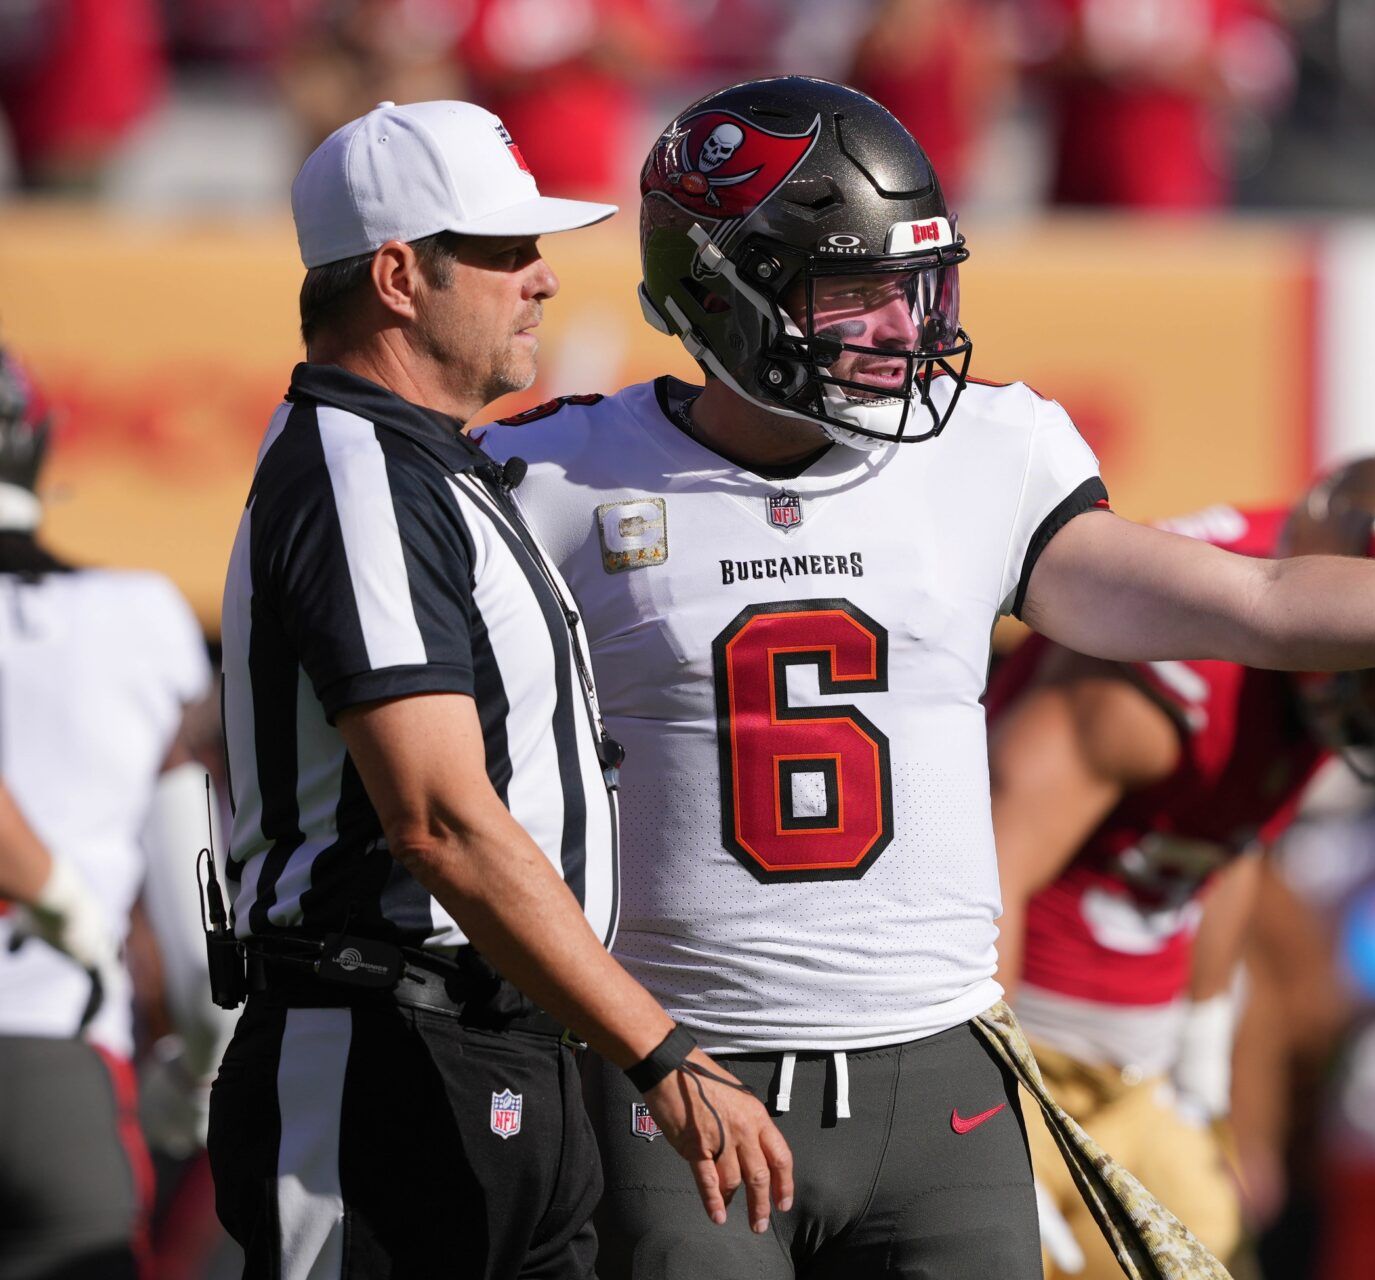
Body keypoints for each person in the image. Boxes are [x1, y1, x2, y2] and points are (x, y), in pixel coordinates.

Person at [477, 75, 1375, 1278]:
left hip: (942, 1080)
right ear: (723, 294)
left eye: (919, 288)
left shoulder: (988, 450)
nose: (903, 331)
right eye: (855, 295)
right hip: (693, 1068)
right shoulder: (556, 479)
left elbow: (1259, 599)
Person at [210, 99, 790, 1279]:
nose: (543, 280)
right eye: (504, 250)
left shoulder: (428, 461)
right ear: (397, 274)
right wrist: (659, 1047)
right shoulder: (355, 472)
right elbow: (437, 817)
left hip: (491, 1044)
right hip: (382, 1056)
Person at [984, 449, 1375, 1278]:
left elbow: (1230, 836)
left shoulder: (1301, 656)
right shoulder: (1157, 684)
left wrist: (1203, 1053)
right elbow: (988, 872)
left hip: (1138, 1075)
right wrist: (993, 1123)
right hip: (1026, 1057)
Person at [0, 344, 229, 1280]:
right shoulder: (135, 619)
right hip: (51, 1066)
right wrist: (194, 1076)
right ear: (41, 442)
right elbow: (200, 940)